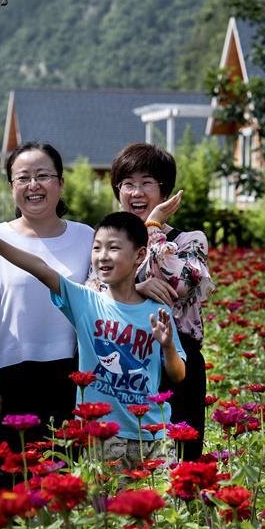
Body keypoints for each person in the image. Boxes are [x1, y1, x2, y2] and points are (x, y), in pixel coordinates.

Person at [0, 207, 186, 473]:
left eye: (113, 248)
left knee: (157, 509)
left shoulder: (155, 312)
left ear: (140, 255)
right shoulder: (86, 303)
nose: (102, 257)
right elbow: (41, 269)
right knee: (108, 511)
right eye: (96, 248)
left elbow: (177, 374)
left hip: (154, 434)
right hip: (102, 434)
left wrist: (168, 345)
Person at [0, 142, 93, 463]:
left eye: (43, 175)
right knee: (10, 480)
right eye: (23, 178)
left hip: (72, 377)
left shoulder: (87, 237)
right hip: (12, 378)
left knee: (65, 481)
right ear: (12, 187)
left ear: (61, 183)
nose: (33, 185)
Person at [94, 143, 214, 461]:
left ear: (164, 190)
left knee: (182, 463)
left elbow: (179, 284)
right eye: (127, 183)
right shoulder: (107, 242)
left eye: (147, 182)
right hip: (125, 366)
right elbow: (91, 293)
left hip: (178, 362)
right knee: (123, 465)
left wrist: (153, 227)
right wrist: (139, 283)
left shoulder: (190, 240)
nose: (137, 192)